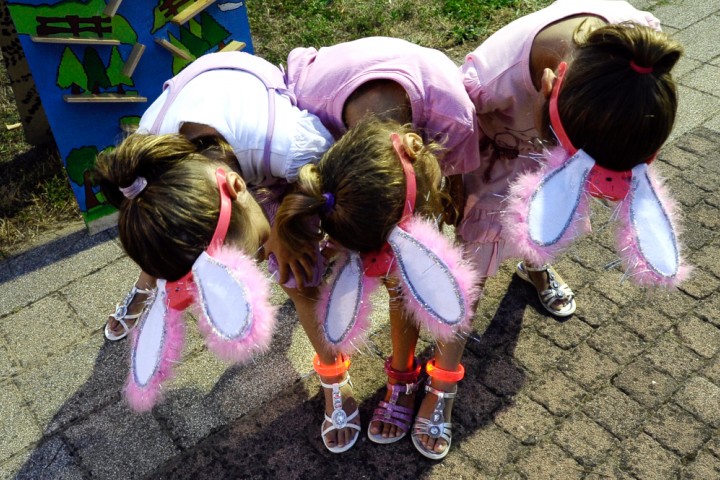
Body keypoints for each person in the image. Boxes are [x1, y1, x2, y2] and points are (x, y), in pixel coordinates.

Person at [96, 51, 369, 449]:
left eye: (249, 254)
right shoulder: (146, 166)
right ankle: (147, 282)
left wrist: (279, 230)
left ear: (241, 189)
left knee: (295, 271)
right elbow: (151, 213)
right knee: (156, 231)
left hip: (261, 136)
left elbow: (318, 174)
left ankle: (334, 374)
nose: (257, 262)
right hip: (202, 147)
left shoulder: (287, 147)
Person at [280, 37, 482, 459]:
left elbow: (462, 169)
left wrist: (456, 183)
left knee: (412, 269)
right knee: (390, 269)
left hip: (423, 110)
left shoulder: (454, 118)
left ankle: (410, 378)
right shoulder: (307, 113)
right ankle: (402, 377)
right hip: (348, 99)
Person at [458, 0, 682, 316]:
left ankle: (534, 266)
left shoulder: (639, 62)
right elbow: (456, 130)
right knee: (476, 257)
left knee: (546, 219)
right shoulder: (490, 79)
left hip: (542, 134)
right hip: (497, 154)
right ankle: (457, 318)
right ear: (547, 87)